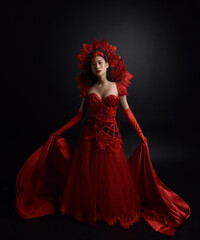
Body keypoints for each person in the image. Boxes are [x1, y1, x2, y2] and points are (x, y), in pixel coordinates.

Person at [16, 39, 191, 236]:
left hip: (110, 138)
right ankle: (92, 207)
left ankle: (107, 207)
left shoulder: (118, 87)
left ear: (108, 65)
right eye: (93, 64)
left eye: (100, 62)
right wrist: (59, 131)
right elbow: (79, 116)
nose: (96, 66)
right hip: (88, 139)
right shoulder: (88, 89)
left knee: (110, 177)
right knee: (89, 175)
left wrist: (141, 134)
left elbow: (128, 112)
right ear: (90, 68)